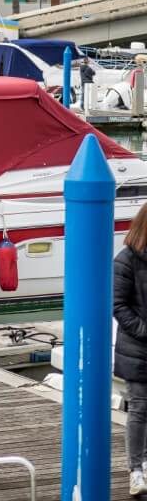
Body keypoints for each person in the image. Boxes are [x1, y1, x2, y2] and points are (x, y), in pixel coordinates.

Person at [114, 203, 147, 496]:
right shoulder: (126, 260)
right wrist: (144, 331)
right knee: (138, 407)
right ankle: (135, 469)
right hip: (137, 348)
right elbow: (119, 306)